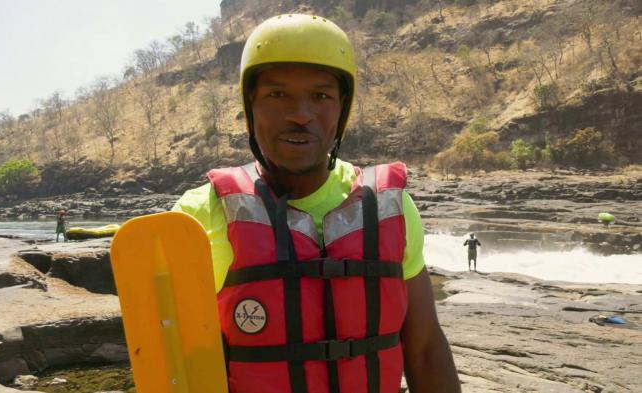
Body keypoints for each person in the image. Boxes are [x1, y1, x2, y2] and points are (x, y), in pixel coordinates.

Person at [174, 14, 460, 393]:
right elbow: (179, 364)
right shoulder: (200, 215)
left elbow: (424, 350)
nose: (300, 114)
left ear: (341, 109)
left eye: (321, 96)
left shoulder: (391, 207)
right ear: (251, 106)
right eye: (277, 95)